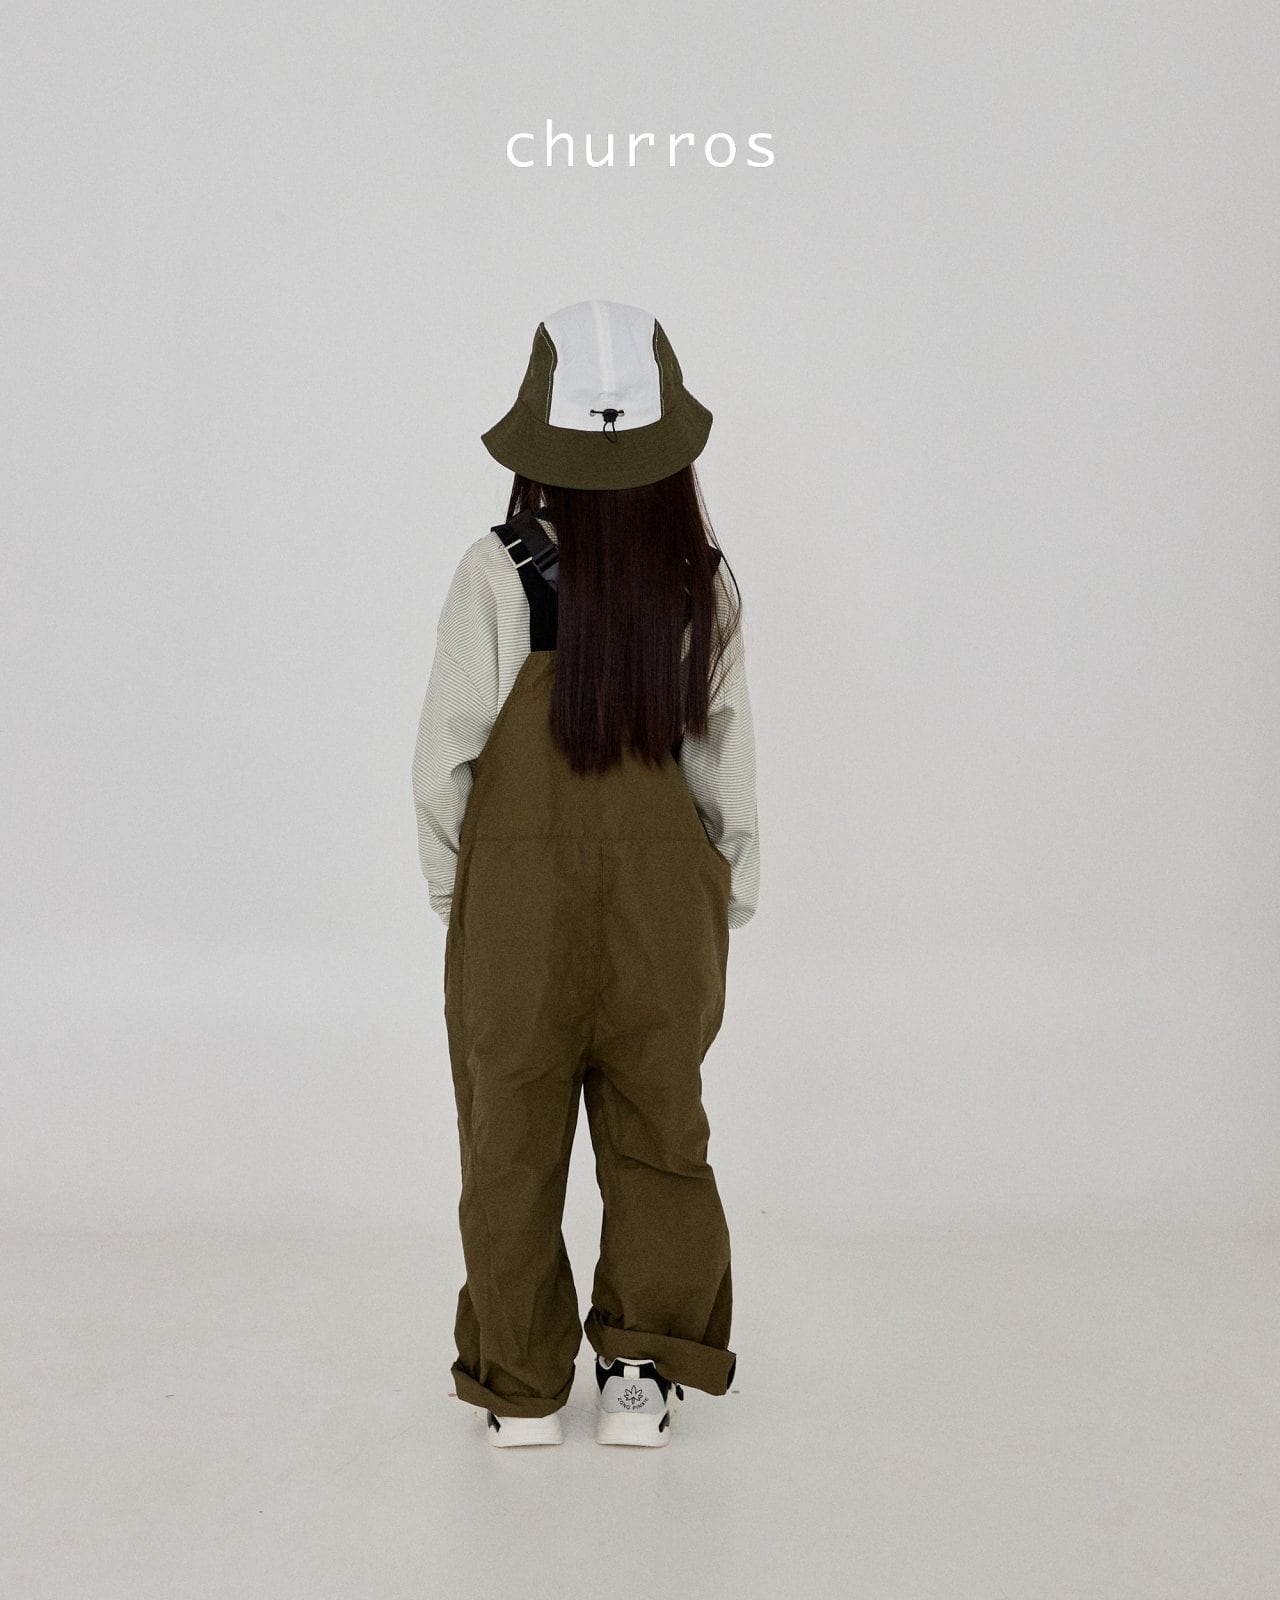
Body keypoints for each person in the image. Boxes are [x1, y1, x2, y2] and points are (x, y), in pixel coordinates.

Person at [412, 298, 760, 1449]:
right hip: (665, 910)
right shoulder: (698, 580)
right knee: (659, 1127)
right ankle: (640, 1374)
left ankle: (518, 1383)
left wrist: (460, 898)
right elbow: (722, 764)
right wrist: (725, 891)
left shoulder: (495, 570)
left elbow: (445, 756)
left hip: (518, 909)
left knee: (508, 1133)